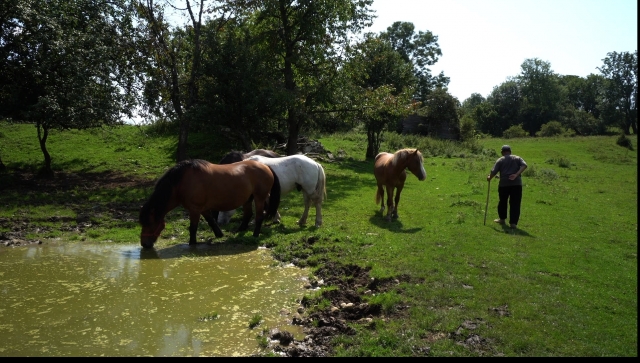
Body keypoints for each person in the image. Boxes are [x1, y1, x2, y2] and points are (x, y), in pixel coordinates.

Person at [487, 145, 528, 229]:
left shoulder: (500, 160)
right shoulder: (517, 158)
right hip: (517, 184)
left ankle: (502, 219)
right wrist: (516, 174)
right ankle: (513, 224)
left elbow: (493, 171)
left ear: (502, 152)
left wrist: (489, 178)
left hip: (504, 184)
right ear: (510, 151)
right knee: (515, 203)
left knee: (502, 202)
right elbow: (524, 165)